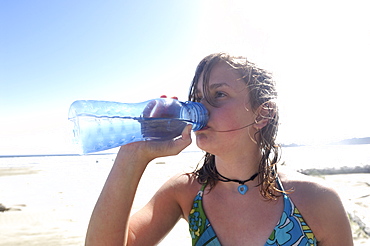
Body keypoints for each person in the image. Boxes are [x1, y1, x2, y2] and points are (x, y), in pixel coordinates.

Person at [85, 53, 353, 245]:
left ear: (262, 115)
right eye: (198, 99)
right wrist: (133, 153)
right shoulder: (185, 192)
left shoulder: (316, 200)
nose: (200, 110)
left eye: (219, 95)